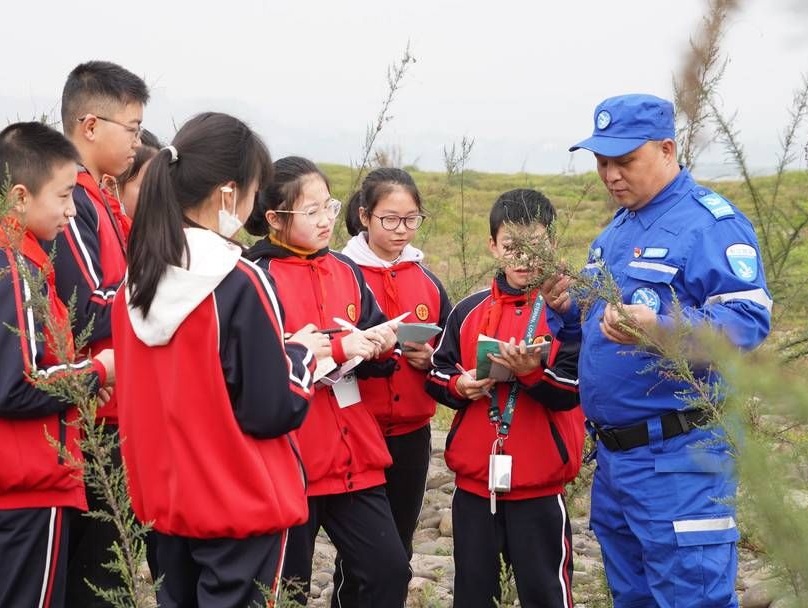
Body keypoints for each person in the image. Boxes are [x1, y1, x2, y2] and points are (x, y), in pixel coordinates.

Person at [542, 93, 772, 607]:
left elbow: (749, 321)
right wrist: (565, 307)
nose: (611, 175)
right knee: (634, 597)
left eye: (626, 161)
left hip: (680, 458)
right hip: (617, 462)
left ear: (667, 150)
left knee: (692, 597)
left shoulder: (711, 224)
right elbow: (597, 334)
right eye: (603, 162)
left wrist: (665, 329)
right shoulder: (615, 233)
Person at [113, 112, 318, 607]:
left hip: (166, 503)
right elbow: (272, 409)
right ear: (229, 193)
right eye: (253, 192)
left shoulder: (135, 281)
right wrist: (304, 355)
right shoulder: (238, 279)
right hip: (236, 502)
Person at [0, 121, 114, 608]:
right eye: (62, 196)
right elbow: (16, 384)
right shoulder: (14, 268)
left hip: (0, 476)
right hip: (30, 480)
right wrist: (98, 371)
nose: (71, 208)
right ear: (20, 196)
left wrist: (77, 377)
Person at [245, 156, 411, 607]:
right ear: (275, 218)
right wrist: (337, 349)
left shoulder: (345, 270)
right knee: (288, 588)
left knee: (389, 571)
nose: (325, 221)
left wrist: (381, 345)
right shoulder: (253, 277)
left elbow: (372, 344)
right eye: (311, 211)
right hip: (291, 455)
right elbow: (250, 368)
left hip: (353, 453)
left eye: (329, 207)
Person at [426, 189, 583, 608]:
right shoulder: (468, 310)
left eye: (534, 246)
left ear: (551, 243)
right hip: (476, 486)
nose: (523, 258)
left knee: (545, 593)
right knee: (474, 595)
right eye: (511, 246)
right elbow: (436, 374)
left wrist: (532, 374)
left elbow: (572, 391)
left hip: (539, 486)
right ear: (493, 246)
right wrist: (459, 388)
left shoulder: (567, 312)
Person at [332, 167, 451, 607]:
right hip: (354, 433)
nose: (401, 230)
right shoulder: (342, 272)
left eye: (411, 219)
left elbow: (450, 351)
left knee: (397, 549)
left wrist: (431, 358)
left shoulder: (427, 279)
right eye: (390, 219)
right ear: (364, 216)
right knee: (360, 555)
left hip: (411, 436)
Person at [55, 60, 151, 602]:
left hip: (110, 401)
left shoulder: (99, 195)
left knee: (106, 559)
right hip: (95, 408)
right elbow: (85, 306)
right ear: (90, 126)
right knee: (98, 567)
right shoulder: (73, 197)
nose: (137, 142)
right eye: (132, 129)